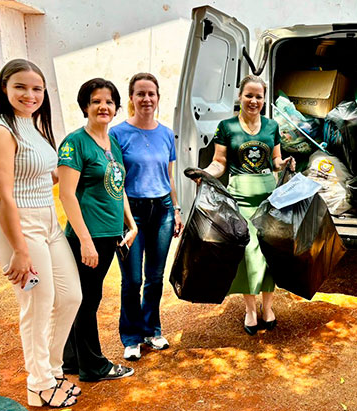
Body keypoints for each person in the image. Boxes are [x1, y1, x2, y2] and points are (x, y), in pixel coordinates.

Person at [0, 59, 82, 407]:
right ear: (4, 89)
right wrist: (20, 250)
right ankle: (39, 385)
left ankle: (52, 370)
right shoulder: (0, 131)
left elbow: (46, 175)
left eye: (36, 88)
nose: (30, 94)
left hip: (48, 224)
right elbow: (1, 195)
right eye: (21, 87)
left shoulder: (32, 127)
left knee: (70, 297)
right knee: (38, 305)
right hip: (19, 228)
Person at [193, 74, 294, 335]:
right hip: (240, 198)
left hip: (269, 198)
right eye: (249, 95)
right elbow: (219, 163)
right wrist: (204, 173)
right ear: (240, 97)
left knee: (270, 251)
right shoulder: (226, 127)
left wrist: (285, 165)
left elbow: (275, 161)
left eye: (258, 96)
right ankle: (250, 309)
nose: (254, 101)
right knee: (248, 254)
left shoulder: (272, 126)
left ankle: (268, 307)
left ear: (264, 99)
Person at [58, 78, 138, 381]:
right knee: (87, 300)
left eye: (108, 101)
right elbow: (67, 194)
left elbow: (119, 186)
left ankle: (72, 360)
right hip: (89, 235)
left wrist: (130, 222)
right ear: (84, 107)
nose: (103, 106)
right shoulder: (75, 142)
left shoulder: (111, 142)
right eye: (96, 101)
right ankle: (94, 366)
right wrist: (85, 241)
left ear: (116, 107)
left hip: (109, 234)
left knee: (84, 297)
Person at [110, 73, 181, 361]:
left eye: (151, 93)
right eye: (140, 94)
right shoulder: (117, 134)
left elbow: (170, 176)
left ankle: (152, 329)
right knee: (132, 280)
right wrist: (125, 220)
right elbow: (114, 179)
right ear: (131, 98)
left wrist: (176, 210)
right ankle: (131, 336)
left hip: (162, 210)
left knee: (154, 277)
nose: (146, 99)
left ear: (158, 98)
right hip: (131, 214)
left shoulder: (166, 133)